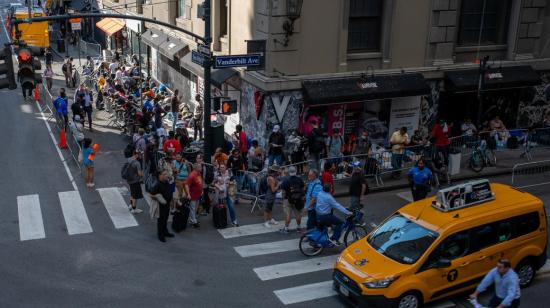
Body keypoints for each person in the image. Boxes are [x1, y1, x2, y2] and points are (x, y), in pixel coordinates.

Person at [149, 170, 175, 242]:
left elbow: (170, 192)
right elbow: (151, 194)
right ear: (160, 176)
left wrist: (171, 202)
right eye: (164, 174)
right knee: (161, 221)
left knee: (165, 219)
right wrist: (158, 198)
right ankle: (160, 235)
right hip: (160, 207)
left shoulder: (166, 182)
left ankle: (165, 232)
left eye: (166, 174)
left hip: (167, 205)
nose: (166, 175)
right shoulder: (157, 184)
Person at [279, 166, 305, 233]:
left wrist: (283, 199)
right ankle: (299, 227)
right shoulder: (299, 179)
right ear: (295, 171)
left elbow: (283, 192)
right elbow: (303, 188)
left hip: (288, 199)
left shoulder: (286, 180)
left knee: (288, 215)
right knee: (298, 214)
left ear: (289, 172)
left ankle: (286, 228)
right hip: (298, 200)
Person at [125, 149, 144, 214]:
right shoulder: (137, 163)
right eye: (140, 154)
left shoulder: (129, 159)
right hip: (135, 180)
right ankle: (134, 208)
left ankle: (130, 205)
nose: (141, 155)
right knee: (135, 195)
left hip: (129, 179)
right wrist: (142, 174)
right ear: (136, 155)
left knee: (132, 193)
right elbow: (139, 174)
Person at [186, 163, 204, 228]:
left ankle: (193, 219)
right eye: (200, 167)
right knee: (192, 209)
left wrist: (201, 190)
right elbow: (187, 185)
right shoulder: (192, 175)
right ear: (196, 168)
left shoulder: (198, 173)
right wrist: (188, 194)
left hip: (198, 195)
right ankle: (193, 221)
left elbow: (200, 182)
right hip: (193, 195)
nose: (201, 168)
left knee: (195, 208)